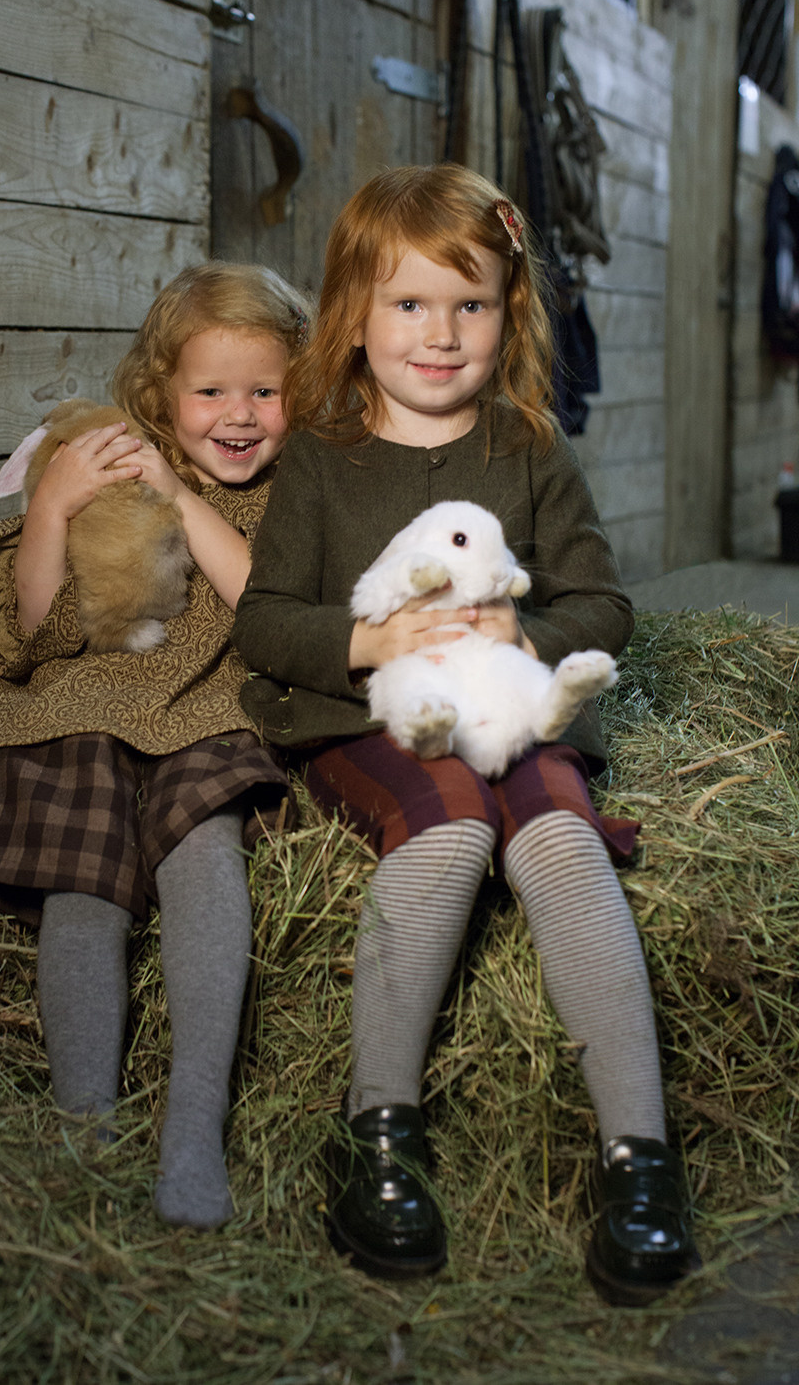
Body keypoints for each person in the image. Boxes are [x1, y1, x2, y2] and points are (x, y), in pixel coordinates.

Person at [232, 165, 698, 1305]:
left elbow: (605, 605)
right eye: (407, 305)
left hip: (502, 703)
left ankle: (640, 1161)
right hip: (371, 718)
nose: (439, 335)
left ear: (510, 313)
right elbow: (264, 618)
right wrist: (370, 645)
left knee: (557, 836)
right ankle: (377, 1136)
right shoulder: (324, 457)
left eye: (470, 304)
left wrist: (522, 626)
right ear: (353, 315)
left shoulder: (530, 446)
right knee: (444, 833)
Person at [0, 261, 309, 1230]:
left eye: (263, 391)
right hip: (84, 704)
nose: (238, 415)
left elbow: (269, 608)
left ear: (298, 393)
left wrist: (178, 494)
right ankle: (85, 1126)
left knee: (205, 855)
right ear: (161, 393)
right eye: (209, 391)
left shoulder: (300, 490)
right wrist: (53, 507)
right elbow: (30, 630)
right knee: (83, 885)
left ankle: (194, 1127)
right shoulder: (106, 465)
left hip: (209, 706)